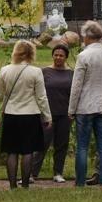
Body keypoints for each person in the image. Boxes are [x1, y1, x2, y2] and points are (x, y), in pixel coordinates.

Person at [0, 40, 52, 189]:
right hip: (30, 115)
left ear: (15, 52)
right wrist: (47, 116)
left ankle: (12, 185)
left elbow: (1, 95)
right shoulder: (36, 71)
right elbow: (41, 97)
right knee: (28, 151)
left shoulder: (5, 70)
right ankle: (25, 184)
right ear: (32, 53)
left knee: (11, 152)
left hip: (11, 114)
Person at [69, 20, 102, 187]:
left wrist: (71, 109)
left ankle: (80, 181)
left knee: (82, 145)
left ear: (87, 37)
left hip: (85, 106)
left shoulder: (83, 56)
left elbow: (77, 85)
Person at [30, 43, 74, 183]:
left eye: (61, 55)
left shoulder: (71, 73)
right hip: (46, 114)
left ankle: (58, 173)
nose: (58, 58)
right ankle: (32, 174)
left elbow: (74, 93)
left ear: (66, 57)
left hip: (64, 114)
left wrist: (72, 112)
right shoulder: (44, 72)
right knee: (41, 143)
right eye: (56, 55)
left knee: (61, 144)